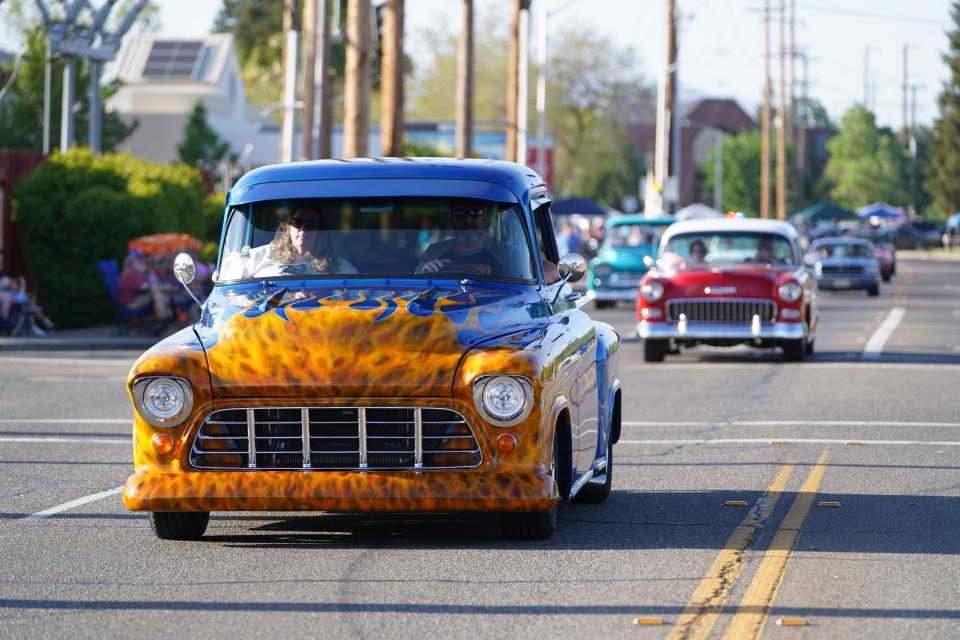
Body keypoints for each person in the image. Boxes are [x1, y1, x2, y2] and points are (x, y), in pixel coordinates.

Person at [416, 200, 561, 282]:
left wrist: (544, 274)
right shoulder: (434, 252)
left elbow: (551, 272)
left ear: (485, 219)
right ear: (452, 220)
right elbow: (412, 289)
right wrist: (424, 272)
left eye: (475, 213)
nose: (467, 219)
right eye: (460, 213)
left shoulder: (508, 253)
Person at [243, 204, 358, 278]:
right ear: (289, 227)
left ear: (321, 230)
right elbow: (232, 294)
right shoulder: (263, 255)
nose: (303, 229)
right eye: (297, 222)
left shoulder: (339, 266)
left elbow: (359, 296)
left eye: (311, 224)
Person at [117, 248, 173, 324]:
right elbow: (145, 287)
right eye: (140, 260)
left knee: (159, 292)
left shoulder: (135, 271)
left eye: (142, 259)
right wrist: (163, 287)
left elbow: (148, 285)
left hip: (133, 300)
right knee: (157, 292)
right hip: (130, 304)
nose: (143, 262)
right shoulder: (131, 273)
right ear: (133, 261)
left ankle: (165, 318)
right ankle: (163, 320)